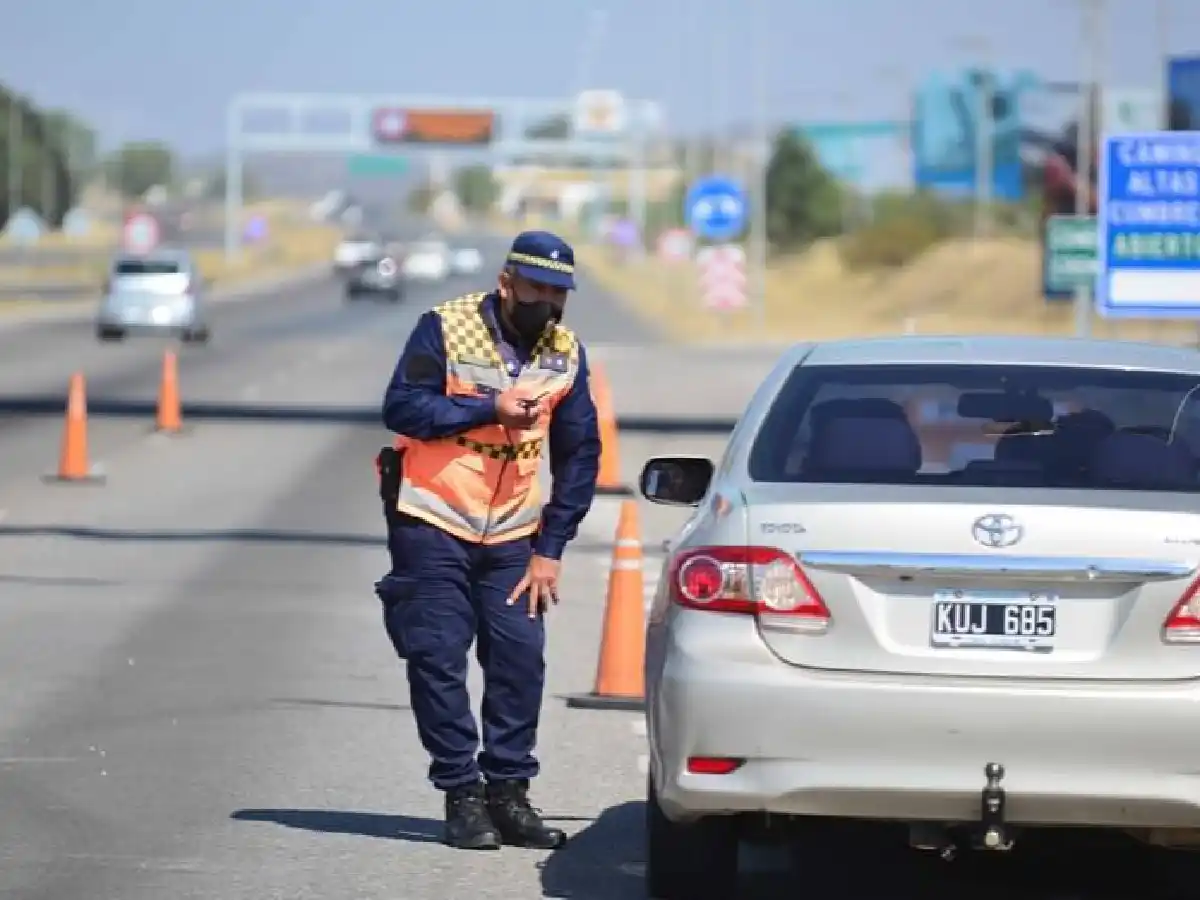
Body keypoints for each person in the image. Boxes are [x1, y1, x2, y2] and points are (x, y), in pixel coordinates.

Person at [377, 230, 601, 851]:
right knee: (438, 657)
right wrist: (487, 409)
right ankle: (462, 795)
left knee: (519, 660)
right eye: (536, 289)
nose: (548, 304)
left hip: (512, 534)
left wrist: (551, 549)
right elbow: (402, 407)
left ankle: (509, 794)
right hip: (432, 519)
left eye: (559, 293)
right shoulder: (444, 328)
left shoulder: (566, 354)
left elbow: (579, 455)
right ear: (507, 283)